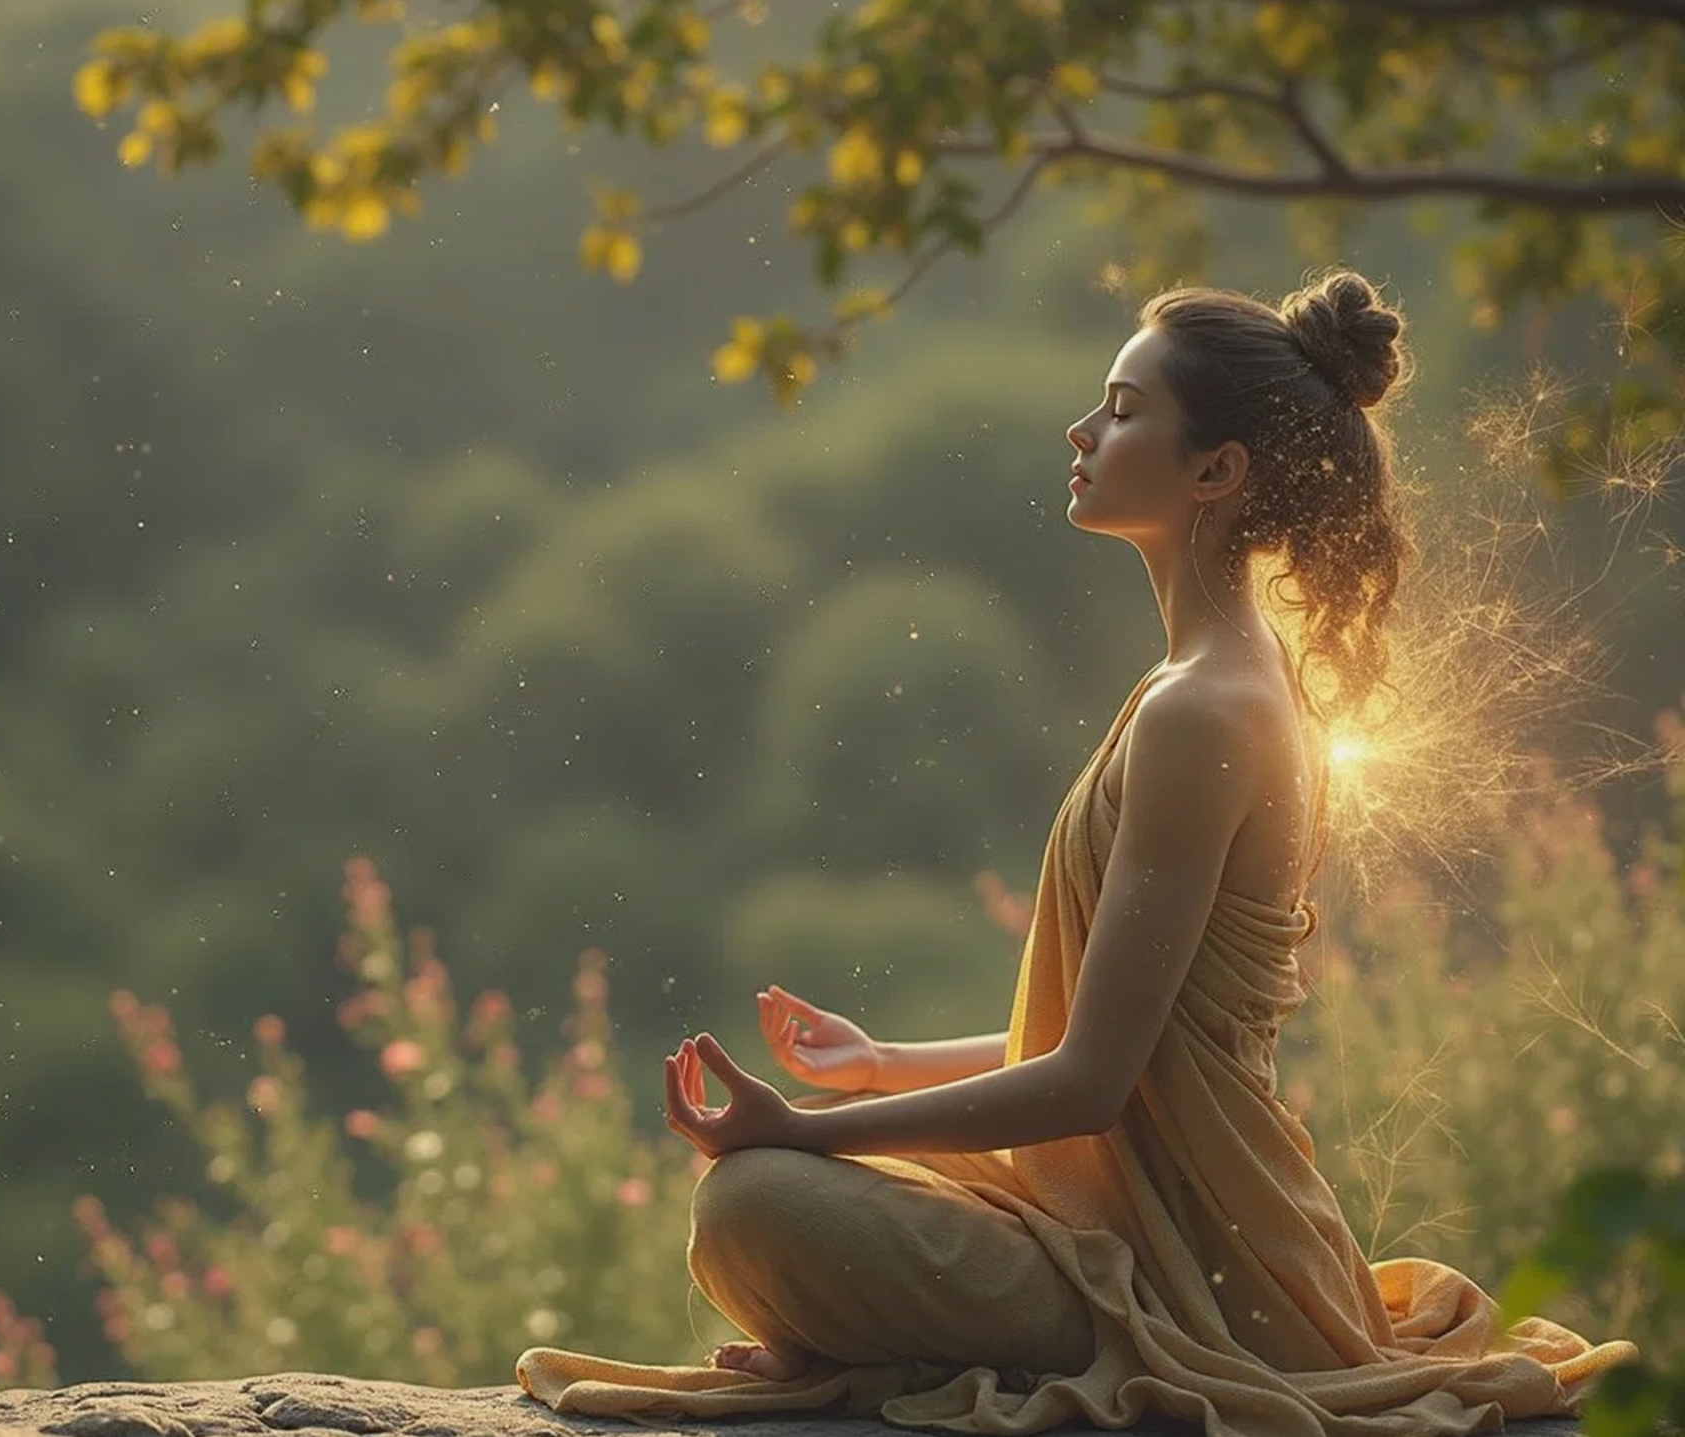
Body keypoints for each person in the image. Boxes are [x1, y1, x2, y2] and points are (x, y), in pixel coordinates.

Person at [513, 269, 1641, 1436]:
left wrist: (800, 1131)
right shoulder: (1207, 681)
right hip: (1130, 1217)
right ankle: (898, 1311)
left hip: (1199, 1275)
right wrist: (881, 1065)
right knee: (787, 1191)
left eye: (1122, 409)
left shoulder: (1204, 709)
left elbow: (1090, 1083)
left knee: (753, 1201)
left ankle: (929, 1331)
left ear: (1215, 471)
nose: (1081, 429)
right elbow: (1125, 1041)